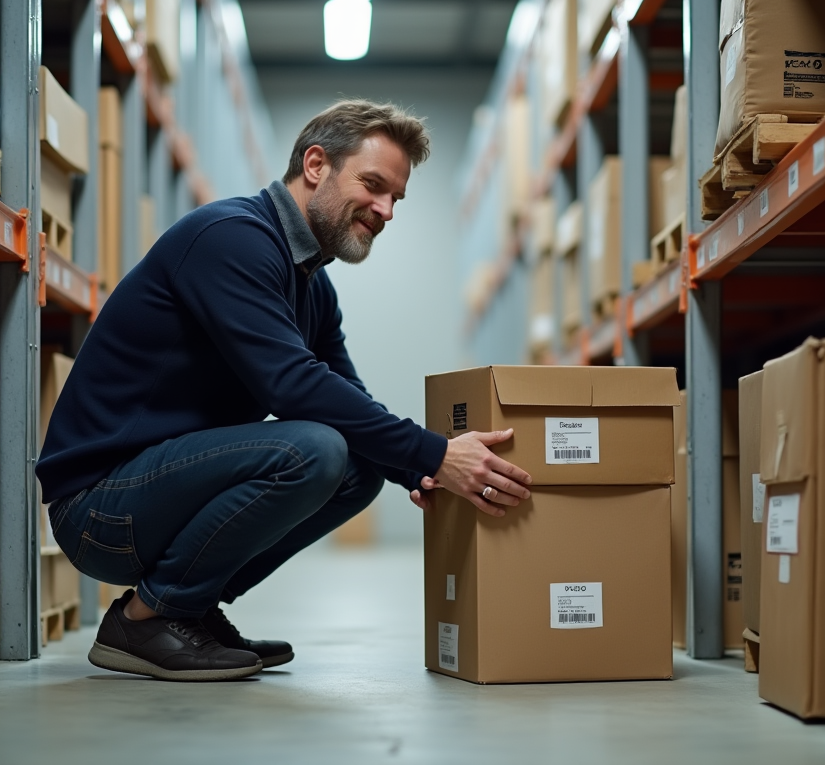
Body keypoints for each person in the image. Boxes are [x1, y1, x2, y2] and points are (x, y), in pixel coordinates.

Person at [36, 100, 533, 682]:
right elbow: (292, 385)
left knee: (359, 469)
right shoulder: (231, 239)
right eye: (373, 185)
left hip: (162, 491)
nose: (386, 210)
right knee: (316, 449)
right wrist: (436, 453)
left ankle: (188, 608)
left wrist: (420, 473)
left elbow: (347, 393)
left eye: (396, 198)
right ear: (316, 165)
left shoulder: (312, 288)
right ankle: (147, 618)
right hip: (101, 508)